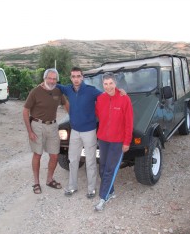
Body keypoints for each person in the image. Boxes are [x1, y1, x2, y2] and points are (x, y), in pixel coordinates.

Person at [57, 67, 126, 199]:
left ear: (82, 77)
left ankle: (91, 189)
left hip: (89, 131)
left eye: (78, 76)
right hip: (75, 132)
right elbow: (56, 85)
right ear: (71, 78)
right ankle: (72, 186)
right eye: (73, 76)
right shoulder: (68, 89)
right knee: (73, 160)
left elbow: (108, 93)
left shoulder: (91, 91)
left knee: (90, 161)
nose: (76, 79)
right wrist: (45, 83)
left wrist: (120, 91)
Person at [23, 68, 69, 194]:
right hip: (37, 125)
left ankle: (49, 180)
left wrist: (74, 119)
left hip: (53, 126)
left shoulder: (58, 91)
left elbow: (66, 104)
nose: (52, 81)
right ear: (44, 78)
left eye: (54, 79)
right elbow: (25, 110)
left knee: (54, 155)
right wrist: (29, 131)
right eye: (50, 78)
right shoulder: (35, 91)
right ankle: (36, 183)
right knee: (37, 154)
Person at [94, 72, 133, 212]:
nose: (108, 86)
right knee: (103, 168)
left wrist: (126, 142)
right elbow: (99, 115)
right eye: (105, 84)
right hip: (103, 140)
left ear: (115, 84)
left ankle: (103, 198)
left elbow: (129, 122)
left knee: (110, 169)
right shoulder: (100, 99)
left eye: (111, 83)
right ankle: (111, 191)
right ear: (102, 84)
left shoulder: (124, 99)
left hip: (118, 141)